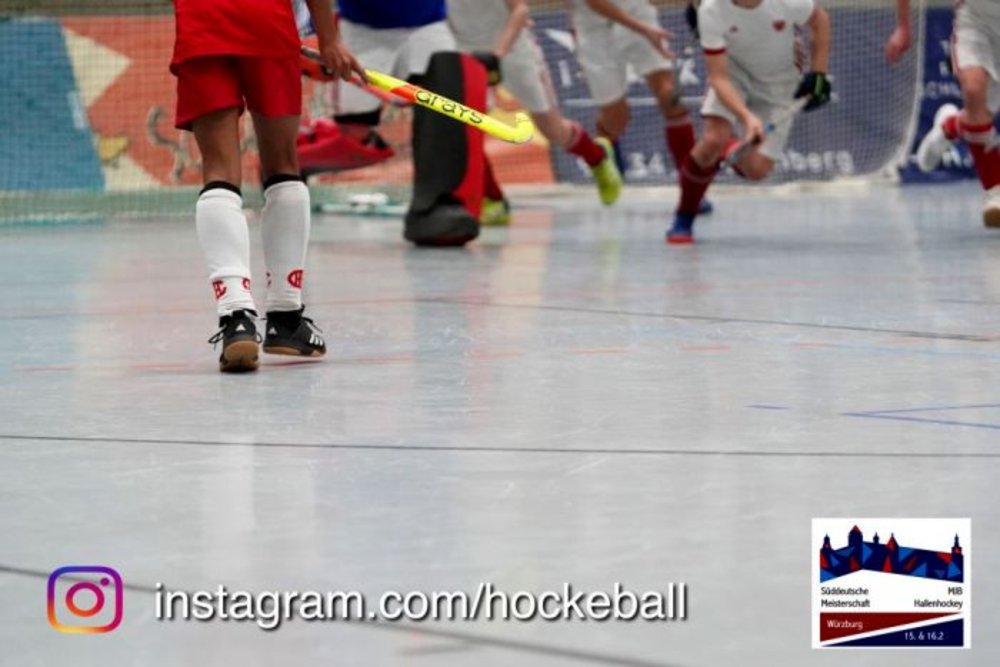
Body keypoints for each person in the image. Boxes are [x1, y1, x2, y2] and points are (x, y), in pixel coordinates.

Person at [171, 0, 363, 372]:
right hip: (268, 22)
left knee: (219, 168)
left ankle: (236, 317)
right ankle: (286, 318)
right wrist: (329, 39)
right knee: (283, 164)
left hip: (202, 22)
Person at [303, 0, 493, 246]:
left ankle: (442, 204)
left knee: (449, 115)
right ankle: (293, 165)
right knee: (355, 136)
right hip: (362, 32)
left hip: (427, 27)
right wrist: (318, 32)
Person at [446, 0, 622, 226]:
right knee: (465, 129)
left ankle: (597, 156)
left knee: (552, 129)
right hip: (465, 51)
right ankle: (493, 200)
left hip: (513, 49)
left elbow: (520, 10)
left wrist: (497, 55)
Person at [668, 0, 831, 243]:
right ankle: (684, 218)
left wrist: (819, 74)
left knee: (757, 169)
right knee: (713, 139)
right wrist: (746, 117)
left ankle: (728, 147)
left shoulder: (787, 3)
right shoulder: (712, 10)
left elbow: (820, 20)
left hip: (780, 84)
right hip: (733, 74)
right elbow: (719, 78)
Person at [571, 0, 706, 207]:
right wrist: (643, 29)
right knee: (616, 117)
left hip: (637, 11)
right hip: (594, 28)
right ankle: (606, 170)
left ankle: (691, 188)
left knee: (670, 97)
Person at [888, 0, 1000, 227]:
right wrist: (903, 27)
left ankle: (949, 126)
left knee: (981, 116)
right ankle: (994, 191)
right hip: (975, 23)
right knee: (973, 91)